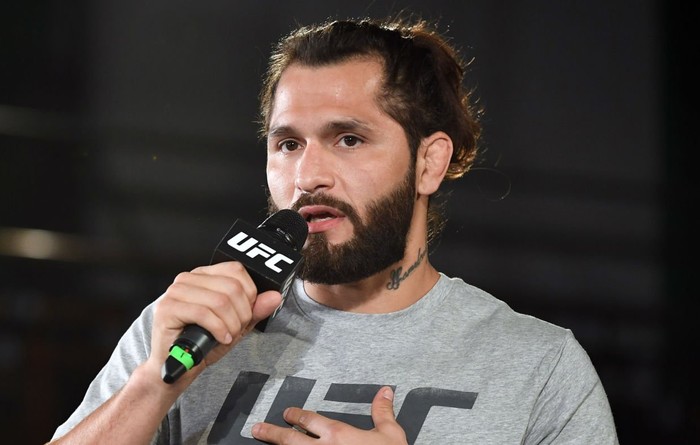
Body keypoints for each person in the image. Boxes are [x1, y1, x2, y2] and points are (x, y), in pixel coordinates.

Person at [48, 16, 619, 445]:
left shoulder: (538, 367)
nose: (307, 176)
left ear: (430, 163)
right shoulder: (183, 329)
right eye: (287, 144)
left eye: (349, 139)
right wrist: (154, 384)